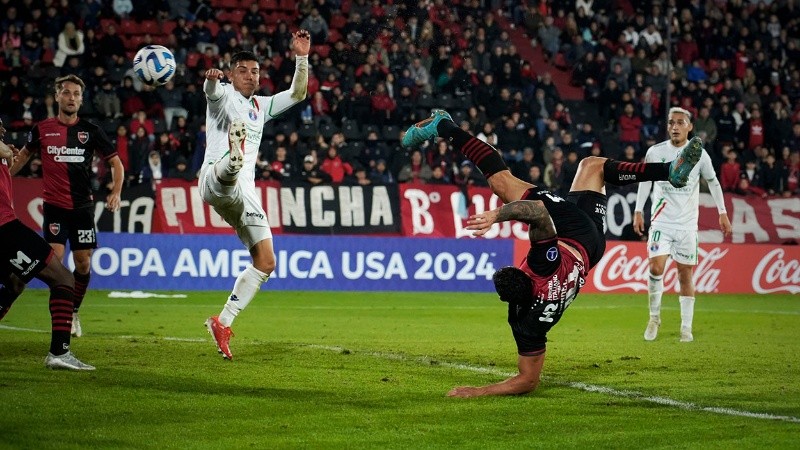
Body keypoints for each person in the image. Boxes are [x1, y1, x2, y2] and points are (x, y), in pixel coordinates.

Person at [401, 109, 703, 398]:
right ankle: (444, 126)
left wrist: (480, 391)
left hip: (593, 251)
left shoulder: (525, 324)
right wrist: (498, 215)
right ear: (524, 273)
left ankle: (446, 127)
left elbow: (528, 380)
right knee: (504, 184)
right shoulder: (540, 267)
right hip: (574, 235)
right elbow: (538, 214)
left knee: (592, 166)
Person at [200, 31, 311, 360]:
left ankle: (223, 322)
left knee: (266, 262)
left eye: (255, 71)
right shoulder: (223, 94)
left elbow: (298, 93)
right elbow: (211, 94)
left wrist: (301, 57)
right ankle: (233, 160)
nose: (251, 75)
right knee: (229, 174)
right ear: (231, 73)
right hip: (213, 179)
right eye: (244, 70)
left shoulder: (260, 107)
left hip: (243, 196)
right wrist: (211, 80)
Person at [11, 75, 124, 338]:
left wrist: (116, 191)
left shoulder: (91, 130)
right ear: (57, 96)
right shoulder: (42, 129)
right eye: (66, 92)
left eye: (76, 94)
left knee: (83, 265)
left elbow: (116, 163)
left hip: (82, 209)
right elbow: (24, 155)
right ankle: (59, 319)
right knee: (55, 264)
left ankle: (73, 312)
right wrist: (5, 176)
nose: (71, 97)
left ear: (81, 100)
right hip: (54, 208)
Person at [0, 120, 94, 370]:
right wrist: (6, 151)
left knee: (14, 282)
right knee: (63, 278)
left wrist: (7, 154)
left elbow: (7, 157)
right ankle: (59, 353)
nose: (3, 128)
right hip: (4, 228)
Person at [633, 107, 732, 343]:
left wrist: (722, 212)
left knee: (684, 275)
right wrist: (638, 210)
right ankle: (654, 317)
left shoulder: (700, 155)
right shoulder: (656, 152)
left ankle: (686, 327)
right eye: (671, 122)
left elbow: (714, 182)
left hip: (687, 226)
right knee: (656, 268)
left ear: (690, 127)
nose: (675, 127)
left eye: (680, 122)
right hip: (661, 222)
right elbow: (644, 181)